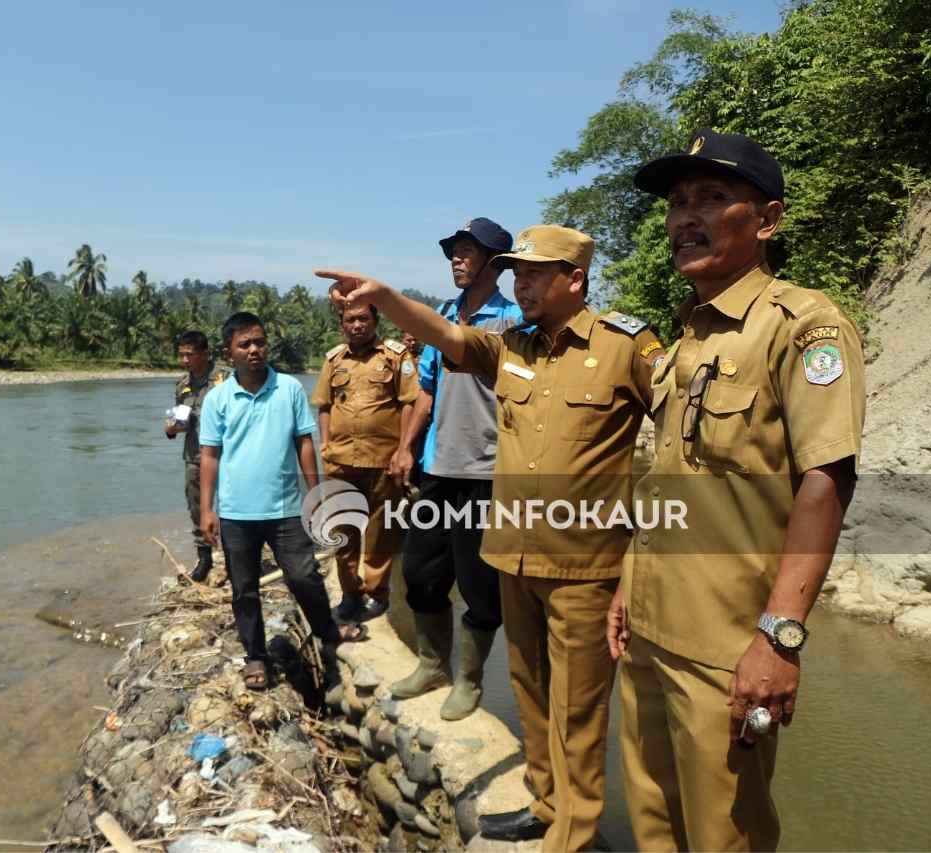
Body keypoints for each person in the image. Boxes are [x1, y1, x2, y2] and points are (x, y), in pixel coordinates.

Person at [317, 223, 664, 851]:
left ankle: (575, 833)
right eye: (516, 272)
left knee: (579, 710)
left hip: (585, 566)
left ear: (574, 278)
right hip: (514, 553)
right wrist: (386, 297)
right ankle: (544, 802)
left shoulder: (625, 347)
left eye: (532, 273)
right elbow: (444, 334)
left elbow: (681, 438)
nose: (519, 283)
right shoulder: (511, 346)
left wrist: (648, 544)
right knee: (531, 692)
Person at [608, 130, 865, 851]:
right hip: (653, 636)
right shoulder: (684, 340)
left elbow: (828, 475)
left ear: (768, 219)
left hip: (728, 646)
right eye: (678, 201)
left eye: (713, 198)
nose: (685, 216)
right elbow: (661, 476)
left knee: (727, 834)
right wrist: (630, 582)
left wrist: (779, 637)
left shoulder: (803, 326)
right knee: (654, 823)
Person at [365, 216, 522, 723]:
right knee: (421, 571)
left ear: (494, 263)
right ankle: (434, 665)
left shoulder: (515, 321)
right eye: (452, 251)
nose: (456, 258)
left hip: (488, 472)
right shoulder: (443, 314)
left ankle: (471, 678)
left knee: (479, 584)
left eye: (466, 251)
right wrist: (407, 446)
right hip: (438, 466)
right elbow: (426, 388)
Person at [197, 312, 366, 691]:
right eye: (245, 344)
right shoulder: (217, 400)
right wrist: (207, 510)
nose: (254, 350)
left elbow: (304, 442)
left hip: (287, 508)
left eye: (259, 342)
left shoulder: (288, 389)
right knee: (244, 588)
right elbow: (209, 455)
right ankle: (256, 657)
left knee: (303, 575)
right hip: (237, 512)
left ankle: (327, 631)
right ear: (230, 351)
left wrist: (317, 494)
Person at [312, 304, 418, 623]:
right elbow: (325, 405)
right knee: (343, 532)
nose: (357, 325)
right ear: (342, 324)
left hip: (383, 461)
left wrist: (404, 449)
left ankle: (377, 594)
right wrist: (326, 444)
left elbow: (410, 402)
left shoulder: (396, 356)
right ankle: (349, 594)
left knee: (380, 532)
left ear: (375, 321)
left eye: (363, 319)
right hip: (341, 460)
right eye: (350, 320)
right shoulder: (333, 360)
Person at [165, 330, 228, 582]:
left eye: (189, 354)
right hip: (194, 455)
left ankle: (236, 557)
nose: (184, 360)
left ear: (204, 353)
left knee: (232, 505)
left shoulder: (226, 379)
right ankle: (204, 558)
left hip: (228, 456)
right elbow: (176, 421)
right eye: (181, 355)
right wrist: (171, 428)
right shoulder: (182, 385)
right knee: (196, 506)